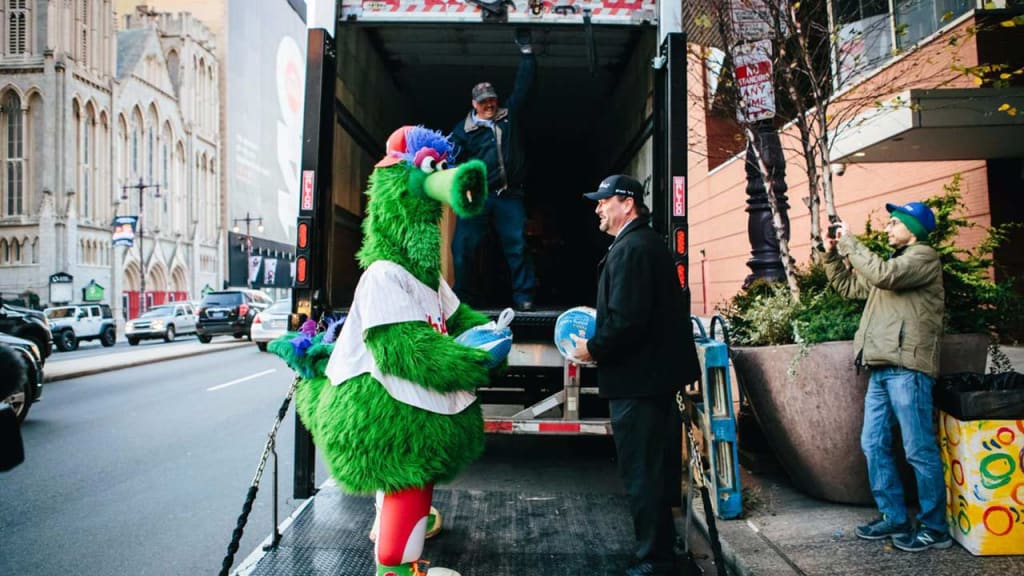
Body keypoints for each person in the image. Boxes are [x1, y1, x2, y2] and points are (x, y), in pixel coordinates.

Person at [570, 174, 700, 576]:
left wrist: (592, 348)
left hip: (640, 382)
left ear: (627, 203)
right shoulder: (640, 244)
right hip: (648, 379)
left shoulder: (633, 249)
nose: (597, 207)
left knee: (643, 473)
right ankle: (658, 550)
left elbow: (628, 321)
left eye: (603, 200)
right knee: (651, 469)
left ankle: (655, 560)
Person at [823, 201, 951, 552]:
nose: (887, 228)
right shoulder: (895, 266)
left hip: (907, 369)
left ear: (915, 229)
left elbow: (882, 275)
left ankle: (935, 527)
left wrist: (851, 242)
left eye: (895, 223)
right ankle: (894, 517)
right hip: (881, 367)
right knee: (873, 444)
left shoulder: (922, 258)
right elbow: (850, 287)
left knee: (918, 450)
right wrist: (832, 253)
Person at [450, 34, 536, 311]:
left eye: (492, 99)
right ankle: (463, 298)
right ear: (473, 104)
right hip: (479, 197)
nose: (489, 105)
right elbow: (445, 158)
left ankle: (524, 296)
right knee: (463, 247)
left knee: (518, 244)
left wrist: (527, 53)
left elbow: (524, 87)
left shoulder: (508, 118)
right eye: (483, 101)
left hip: (509, 196)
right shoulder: (462, 132)